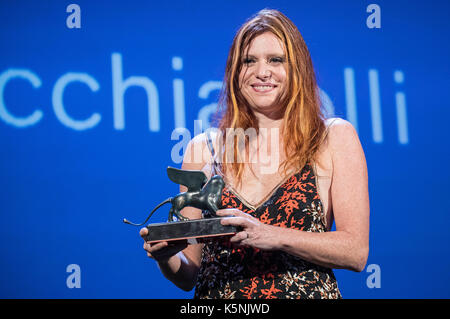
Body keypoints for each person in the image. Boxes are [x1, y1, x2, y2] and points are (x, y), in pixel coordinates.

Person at [140, 8, 369, 299]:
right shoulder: (204, 149)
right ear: (235, 72)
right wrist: (166, 256)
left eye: (276, 60)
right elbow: (189, 273)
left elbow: (355, 252)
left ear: (297, 68)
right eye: (249, 61)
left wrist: (271, 235)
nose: (262, 72)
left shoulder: (331, 137)